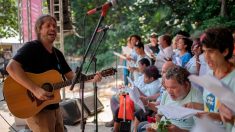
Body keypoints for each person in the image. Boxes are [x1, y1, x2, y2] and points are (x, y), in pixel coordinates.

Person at [6, 14, 102, 132]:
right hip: (37, 109)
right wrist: (35, 89)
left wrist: (91, 78)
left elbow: (71, 76)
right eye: (48, 26)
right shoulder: (31, 48)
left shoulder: (57, 54)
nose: (53, 28)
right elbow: (11, 67)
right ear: (39, 30)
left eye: (54, 26)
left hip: (54, 106)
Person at [196, 27, 235, 132]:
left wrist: (217, 117)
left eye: (211, 51)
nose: (206, 57)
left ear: (225, 51)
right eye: (204, 51)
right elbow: (211, 105)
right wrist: (196, 106)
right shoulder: (209, 75)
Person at [146, 66, 203, 132]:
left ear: (186, 85)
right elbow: (160, 116)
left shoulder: (196, 99)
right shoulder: (166, 93)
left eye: (173, 88)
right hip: (163, 128)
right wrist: (156, 126)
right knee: (144, 127)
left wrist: (178, 130)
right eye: (167, 87)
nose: (169, 92)